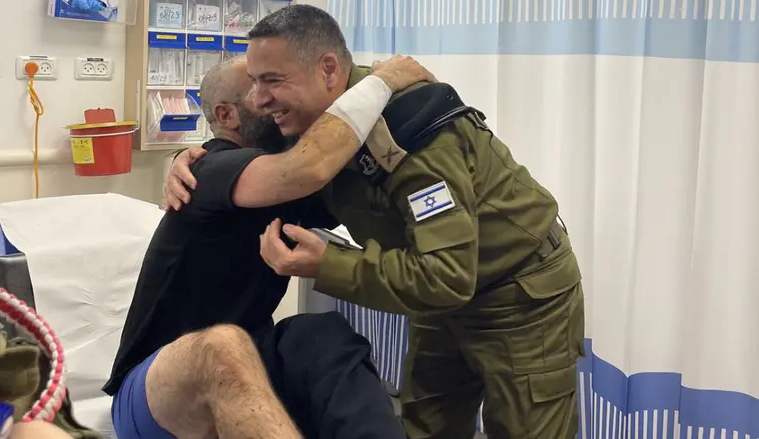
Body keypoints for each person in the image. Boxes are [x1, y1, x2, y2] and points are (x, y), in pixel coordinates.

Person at [167, 5, 586, 439]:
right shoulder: (306, 118)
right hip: (438, 291)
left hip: (518, 295)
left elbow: (447, 275)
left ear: (328, 70)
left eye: (272, 80)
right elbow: (248, 153)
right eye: (254, 82)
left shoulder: (409, 129)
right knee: (427, 426)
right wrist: (190, 161)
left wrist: (327, 265)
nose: (258, 99)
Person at [104, 54, 434, 439]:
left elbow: (342, 167)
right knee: (222, 346)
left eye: (275, 83)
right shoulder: (206, 171)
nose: (271, 97)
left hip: (251, 359)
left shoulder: (289, 185)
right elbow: (306, 166)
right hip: (153, 389)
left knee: (323, 335)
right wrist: (383, 82)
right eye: (257, 87)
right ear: (227, 115)